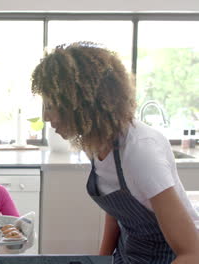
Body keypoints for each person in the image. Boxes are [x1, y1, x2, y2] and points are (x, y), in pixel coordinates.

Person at [31, 41, 199, 263]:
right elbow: (117, 213)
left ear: (82, 103)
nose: (45, 117)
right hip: (128, 254)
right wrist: (100, 260)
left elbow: (192, 253)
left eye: (51, 106)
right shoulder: (95, 141)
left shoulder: (140, 151)